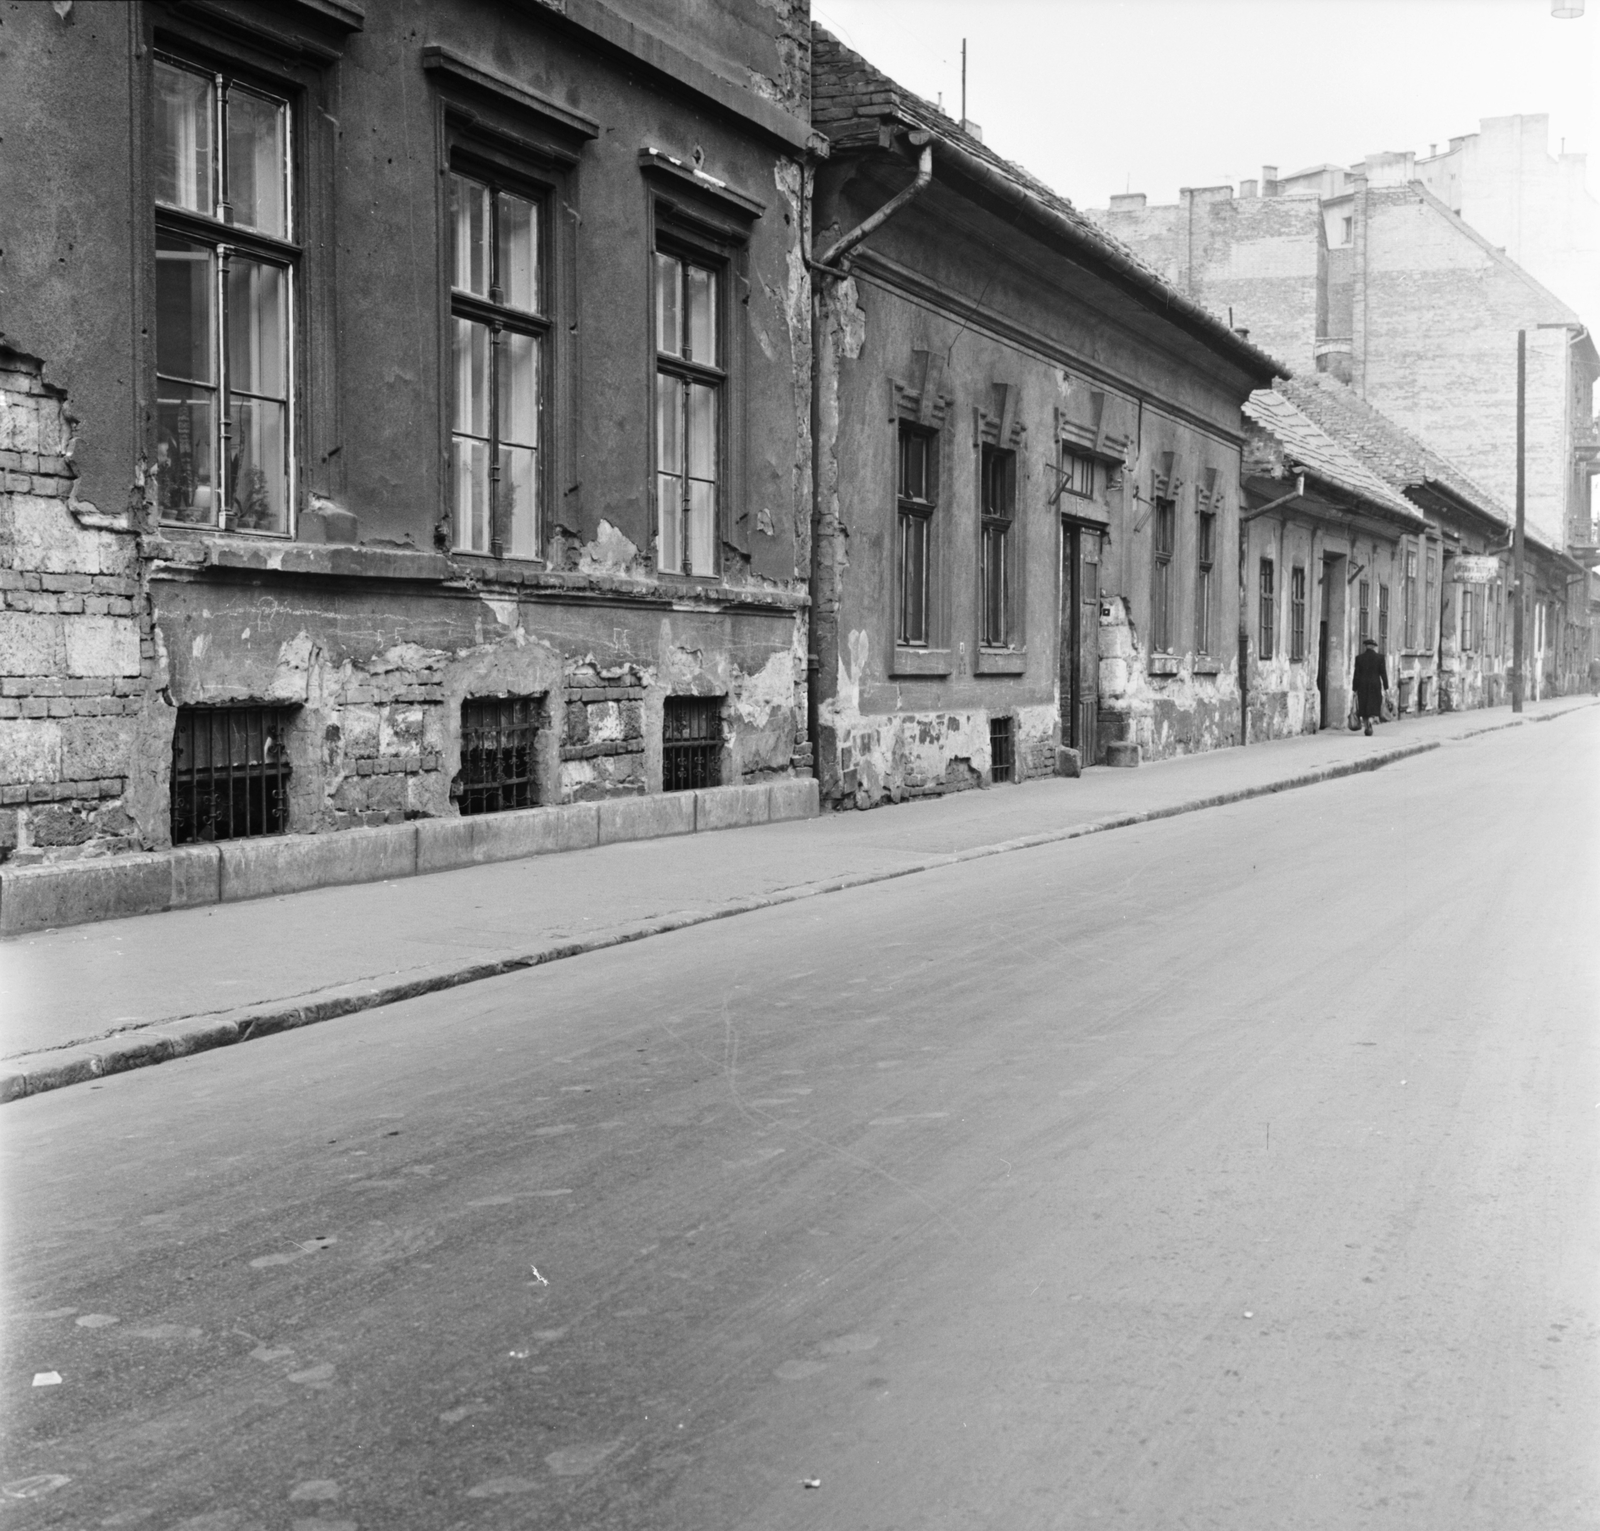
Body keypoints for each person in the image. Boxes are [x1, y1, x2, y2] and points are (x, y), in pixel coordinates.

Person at [1351, 637, 1389, 737]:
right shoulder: (1380, 658)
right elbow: (1383, 674)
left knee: (1363, 705)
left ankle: (1366, 724)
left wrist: (1354, 689)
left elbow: (1356, 675)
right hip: (1375, 684)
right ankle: (1371, 721)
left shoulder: (1359, 658)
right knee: (1374, 704)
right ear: (1374, 647)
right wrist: (1386, 688)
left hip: (1362, 685)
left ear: (1366, 646)